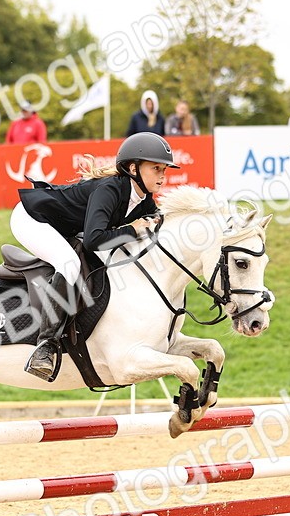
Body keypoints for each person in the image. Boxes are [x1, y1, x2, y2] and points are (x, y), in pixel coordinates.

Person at [11, 132, 177, 380]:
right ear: (133, 168)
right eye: (156, 169)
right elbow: (93, 240)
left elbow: (155, 223)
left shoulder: (144, 200)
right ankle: (45, 346)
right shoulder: (110, 189)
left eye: (164, 170)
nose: (163, 176)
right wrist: (132, 229)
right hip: (33, 218)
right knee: (69, 264)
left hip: (62, 226)